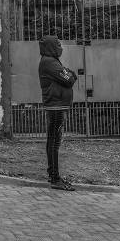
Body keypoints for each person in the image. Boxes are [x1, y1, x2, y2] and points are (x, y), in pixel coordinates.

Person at [38, 35, 77, 191]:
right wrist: (69, 73)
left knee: (53, 141)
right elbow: (69, 79)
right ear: (51, 47)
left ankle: (53, 174)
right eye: (58, 45)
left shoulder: (51, 61)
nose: (60, 47)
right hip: (55, 107)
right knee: (54, 142)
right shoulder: (49, 62)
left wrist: (68, 73)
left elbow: (68, 75)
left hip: (57, 106)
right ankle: (55, 178)